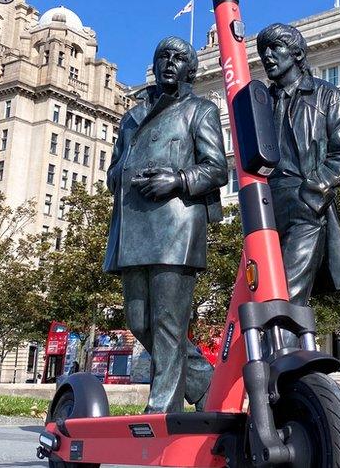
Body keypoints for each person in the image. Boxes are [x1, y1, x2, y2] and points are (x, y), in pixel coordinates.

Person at [104, 36, 228, 413]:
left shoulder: (200, 110)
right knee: (140, 321)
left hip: (175, 228)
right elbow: (115, 167)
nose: (170, 63)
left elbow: (217, 168)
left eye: (179, 58)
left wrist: (176, 180)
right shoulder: (132, 116)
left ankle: (163, 408)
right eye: (163, 57)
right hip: (135, 228)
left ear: (191, 69)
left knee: (167, 324)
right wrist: (120, 177)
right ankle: (206, 384)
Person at [256, 23, 340, 334]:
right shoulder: (260, 103)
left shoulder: (326, 96)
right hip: (264, 206)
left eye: (276, 48)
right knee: (260, 292)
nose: (268, 56)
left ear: (298, 53)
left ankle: (282, 370)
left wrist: (313, 193)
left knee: (287, 294)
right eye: (263, 51)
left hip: (305, 203)